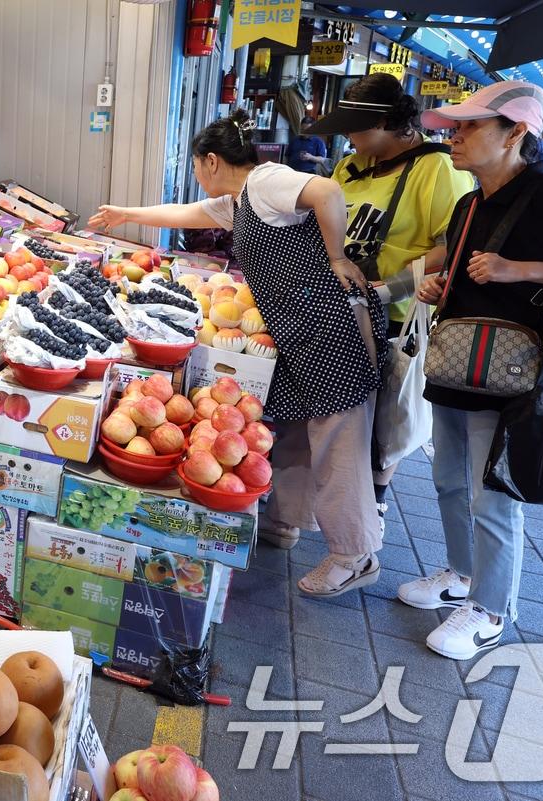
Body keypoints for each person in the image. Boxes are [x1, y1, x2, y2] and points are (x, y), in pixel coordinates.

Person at [90, 110, 388, 598]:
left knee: (338, 439)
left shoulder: (267, 182)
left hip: (328, 327)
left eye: (195, 166)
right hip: (296, 330)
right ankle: (286, 520)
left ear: (210, 160)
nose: (196, 177)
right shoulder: (244, 200)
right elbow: (188, 213)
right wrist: (128, 214)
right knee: (292, 427)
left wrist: (336, 256)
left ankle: (354, 555)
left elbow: (328, 192)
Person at [400, 82, 543, 660]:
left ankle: (493, 609)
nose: (454, 137)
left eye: (469, 127)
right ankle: (459, 574)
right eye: (454, 127)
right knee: (449, 478)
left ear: (516, 132)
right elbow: (464, 271)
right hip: (457, 362)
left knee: (493, 492)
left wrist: (516, 269)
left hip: (519, 375)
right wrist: (436, 283)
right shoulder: (468, 202)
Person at [299, 73, 475, 537]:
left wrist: (391, 286)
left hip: (393, 313)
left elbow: (451, 241)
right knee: (340, 407)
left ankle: (373, 501)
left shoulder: (438, 168)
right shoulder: (352, 165)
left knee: (386, 414)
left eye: (359, 129)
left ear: (394, 126)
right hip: (338, 307)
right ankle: (336, 495)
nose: (351, 138)